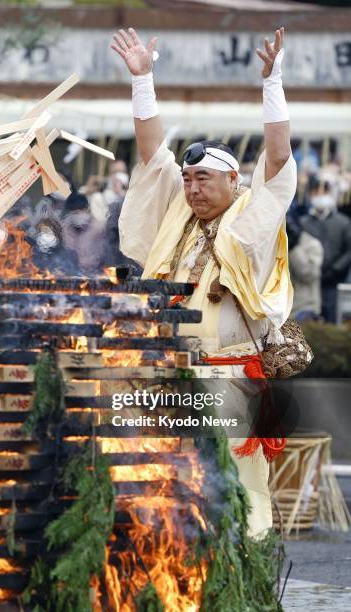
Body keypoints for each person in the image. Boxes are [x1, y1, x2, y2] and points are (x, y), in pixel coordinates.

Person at [112, 26, 297, 538]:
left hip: (231, 381)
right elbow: (153, 157)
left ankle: (245, 569)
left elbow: (278, 163)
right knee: (170, 485)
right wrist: (143, 81)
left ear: (234, 182)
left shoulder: (250, 225)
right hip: (171, 378)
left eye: (204, 180)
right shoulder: (177, 221)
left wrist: (272, 82)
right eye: (188, 181)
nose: (192, 189)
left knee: (237, 488)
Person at [301, 176, 351, 323]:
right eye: (315, 193)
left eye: (323, 192)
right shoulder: (304, 223)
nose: (320, 196)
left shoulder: (343, 222)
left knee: (333, 319)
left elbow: (349, 250)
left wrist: (336, 269)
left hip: (334, 282)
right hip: (308, 284)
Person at [287, 215, 323, 321]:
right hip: (281, 310)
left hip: (304, 309)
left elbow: (310, 274)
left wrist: (294, 248)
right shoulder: (276, 241)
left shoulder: (312, 244)